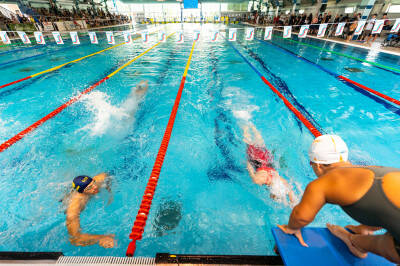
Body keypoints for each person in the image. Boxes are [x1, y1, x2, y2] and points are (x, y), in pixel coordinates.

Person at [277, 134, 400, 264]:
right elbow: (388, 205)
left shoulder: (322, 184)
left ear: (317, 165)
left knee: (393, 248)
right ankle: (366, 228)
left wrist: (291, 228)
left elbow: (301, 217)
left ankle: (355, 242)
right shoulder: (370, 169)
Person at [243, 123, 295, 205]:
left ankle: (252, 126)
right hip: (257, 161)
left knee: (261, 143)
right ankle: (244, 125)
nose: (271, 197)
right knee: (248, 142)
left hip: (267, 159)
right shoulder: (258, 180)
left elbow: (289, 190)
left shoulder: (278, 179)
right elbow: (250, 169)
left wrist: (292, 202)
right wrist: (248, 161)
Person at [66, 173, 115, 248]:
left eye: (93, 183)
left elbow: (106, 175)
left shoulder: (97, 181)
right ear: (82, 191)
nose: (95, 187)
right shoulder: (75, 207)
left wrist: (109, 190)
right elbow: (75, 239)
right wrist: (101, 238)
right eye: (89, 188)